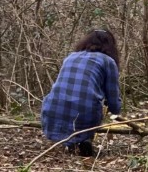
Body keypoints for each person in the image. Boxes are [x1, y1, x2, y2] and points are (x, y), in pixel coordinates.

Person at [41, 29, 121, 157]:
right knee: (87, 105)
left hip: (52, 111)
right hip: (85, 113)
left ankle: (72, 141)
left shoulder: (70, 57)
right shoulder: (107, 61)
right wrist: (116, 112)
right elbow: (113, 97)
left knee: (72, 105)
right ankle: (84, 139)